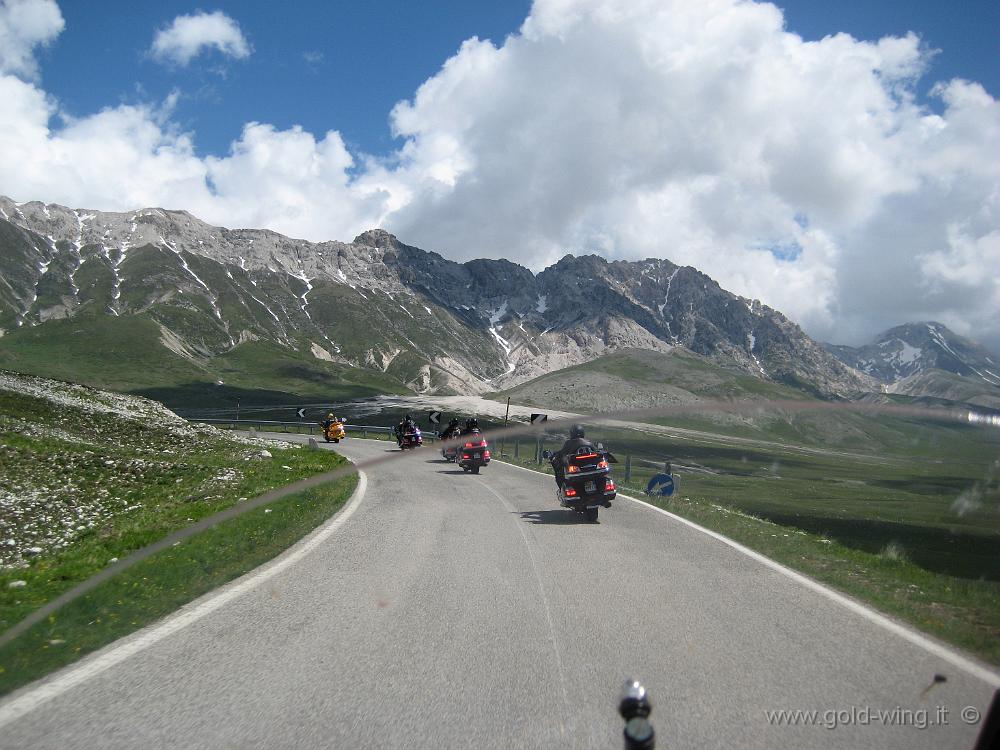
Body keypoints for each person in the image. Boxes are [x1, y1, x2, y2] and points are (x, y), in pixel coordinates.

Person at [550, 424, 594, 488]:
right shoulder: (589, 442)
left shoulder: (569, 443)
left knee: (559, 472)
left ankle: (562, 488)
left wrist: (554, 456)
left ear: (572, 433)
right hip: (590, 468)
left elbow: (561, 453)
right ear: (582, 432)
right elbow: (595, 451)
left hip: (576, 469)